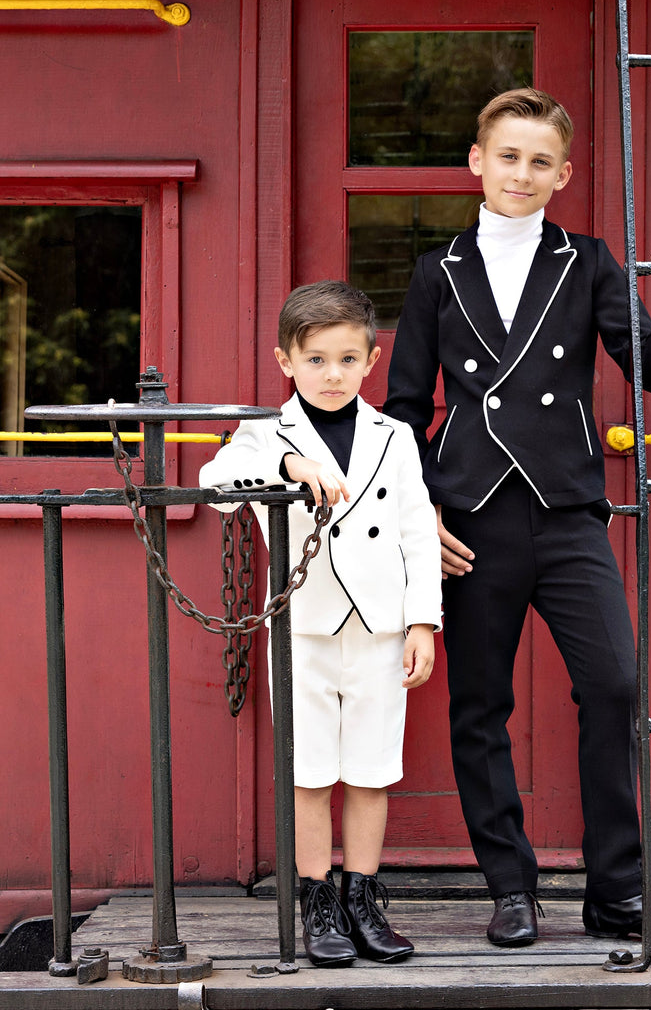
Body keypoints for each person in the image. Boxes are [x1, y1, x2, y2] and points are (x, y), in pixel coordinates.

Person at [384, 87, 651, 948]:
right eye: (508, 157)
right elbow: (404, 408)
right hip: (472, 521)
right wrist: (424, 518)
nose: (522, 173)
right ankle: (511, 888)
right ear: (477, 163)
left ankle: (618, 894)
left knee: (613, 685)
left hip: (568, 511)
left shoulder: (589, 260)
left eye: (540, 162)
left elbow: (647, 371)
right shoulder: (436, 271)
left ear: (562, 174)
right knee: (479, 706)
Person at [200, 280, 442, 966]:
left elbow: (418, 531)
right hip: (302, 629)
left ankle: (362, 897)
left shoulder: (393, 435)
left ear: (370, 362)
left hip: (382, 628)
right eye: (315, 360)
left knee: (370, 770)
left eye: (346, 359)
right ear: (286, 360)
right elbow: (218, 485)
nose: (331, 375)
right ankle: (317, 898)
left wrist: (423, 621)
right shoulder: (262, 433)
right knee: (309, 772)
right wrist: (287, 461)